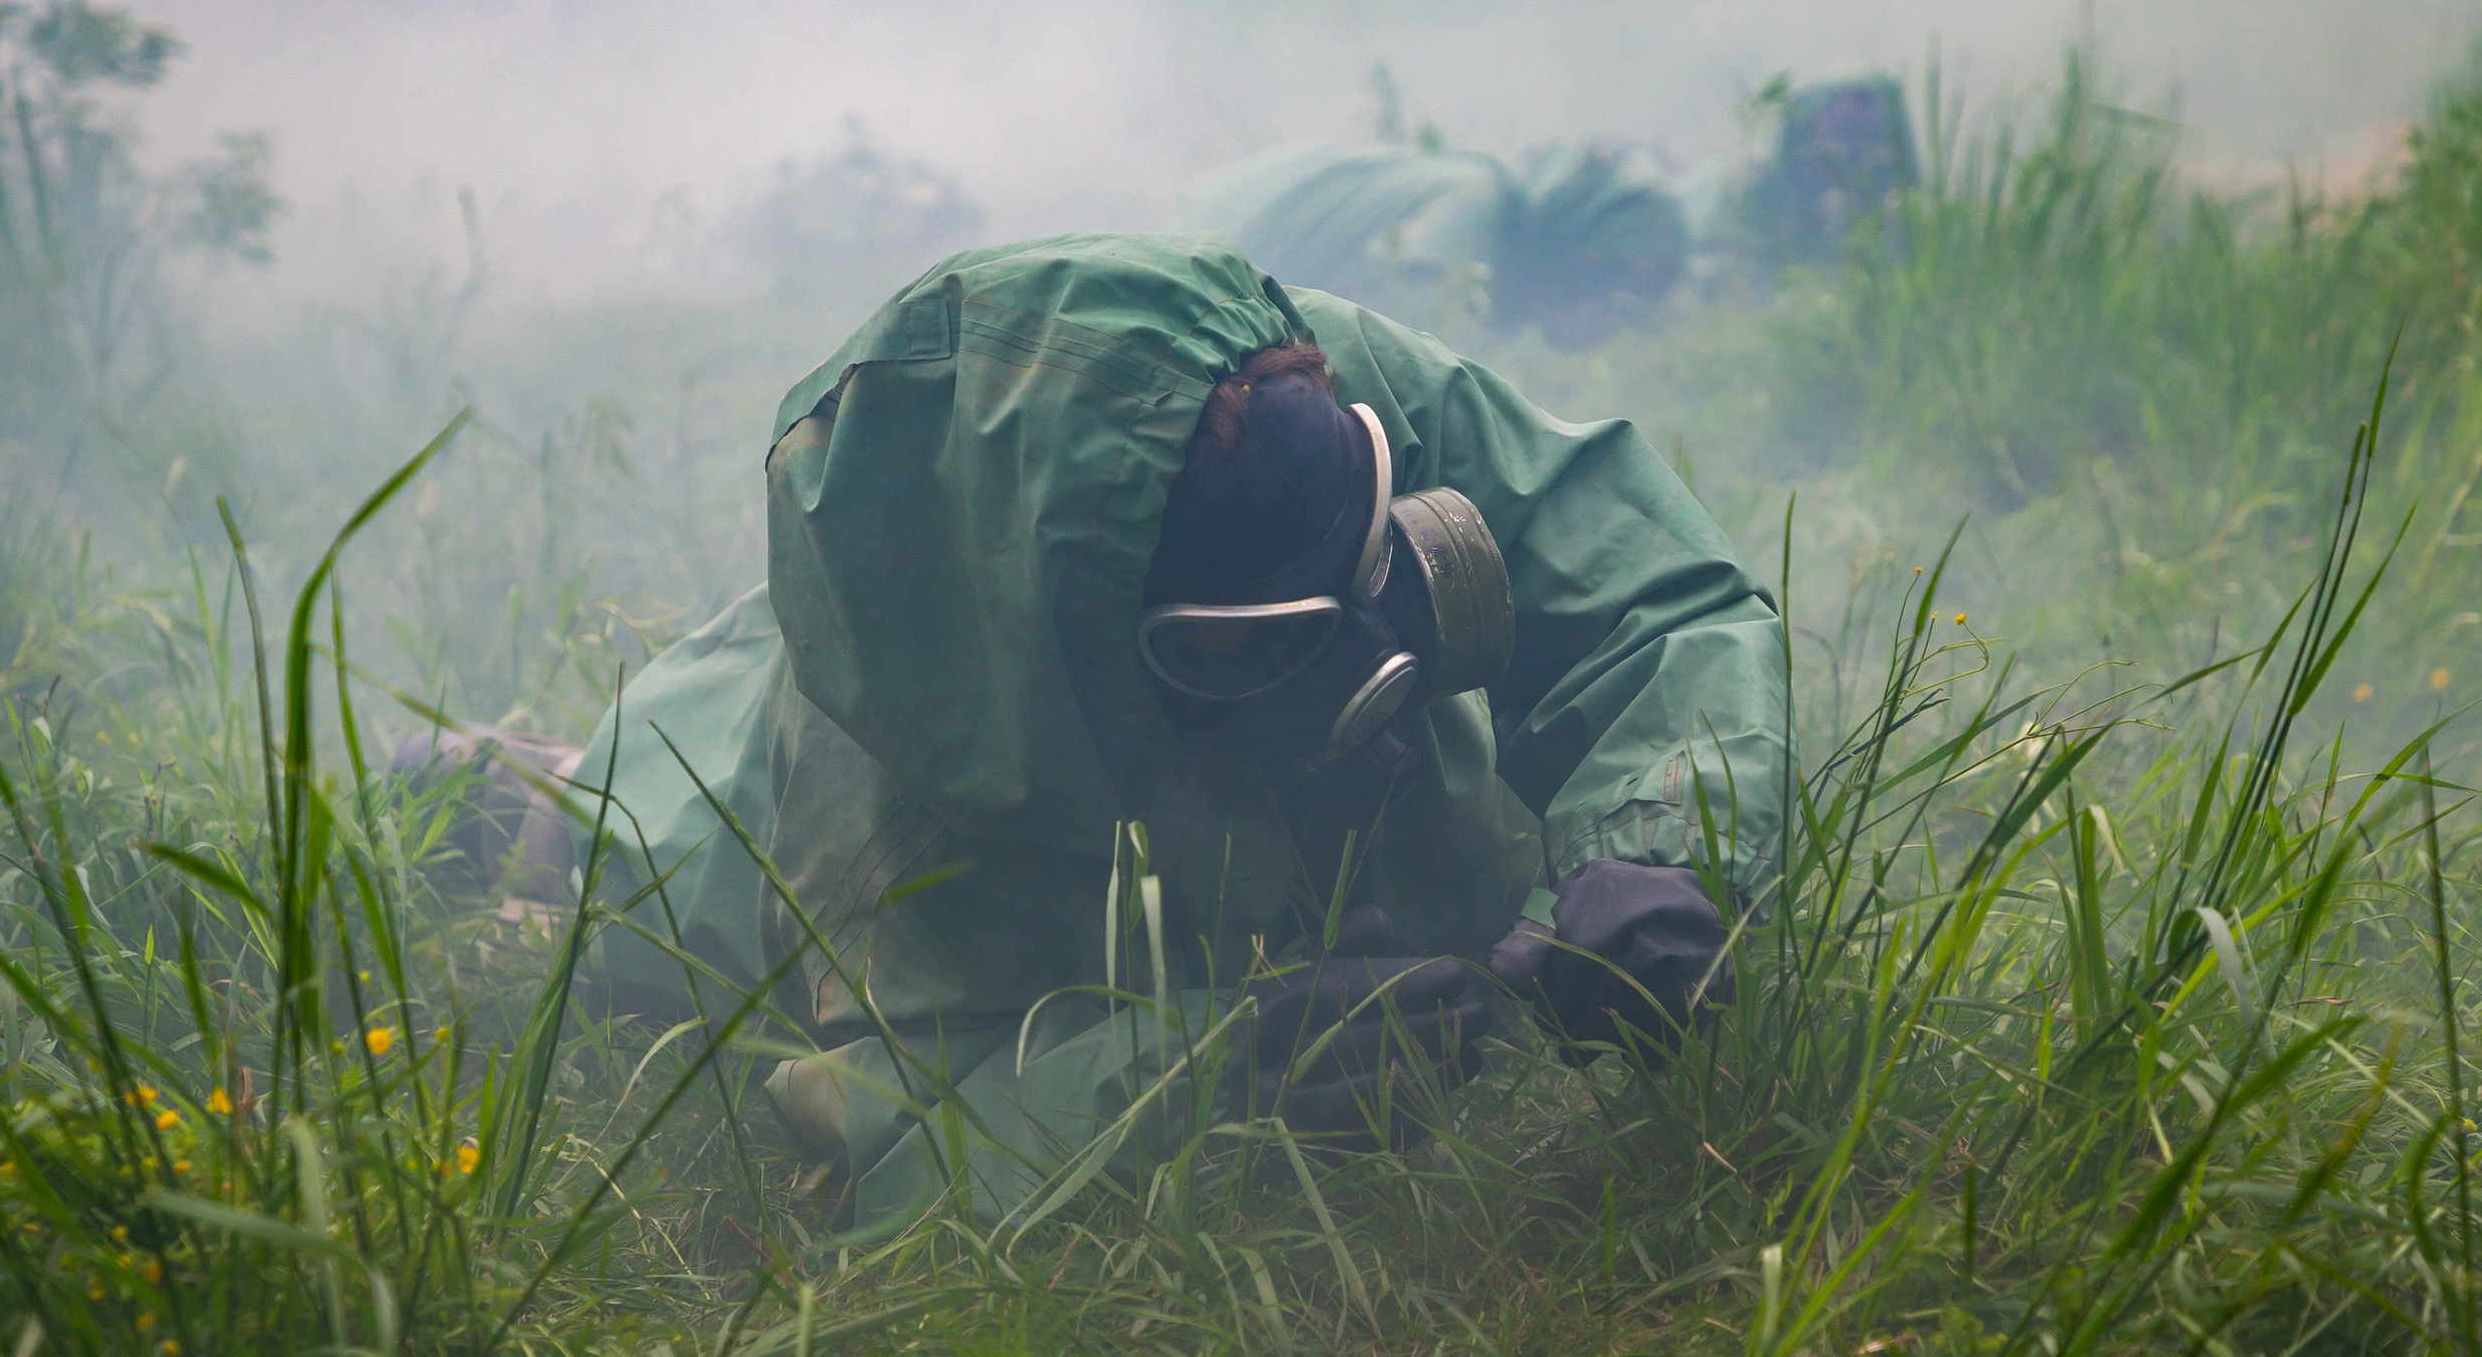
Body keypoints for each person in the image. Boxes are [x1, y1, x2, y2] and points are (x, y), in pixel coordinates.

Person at [563, 233, 1790, 1227]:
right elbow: (882, 1128)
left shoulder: (1291, 386)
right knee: (573, 851)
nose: (1381, 669)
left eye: (1368, 566)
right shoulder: (903, 810)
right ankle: (495, 787)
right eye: (1287, 633)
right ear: (1117, 652)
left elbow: (1642, 585)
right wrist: (1206, 1071)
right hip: (677, 822)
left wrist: (1658, 844)